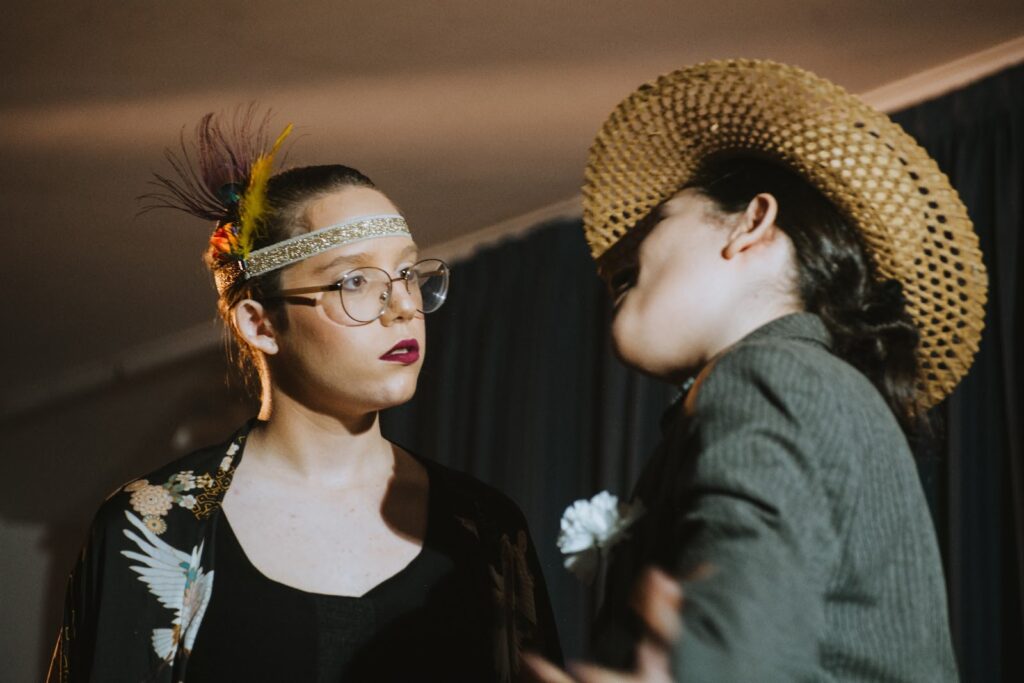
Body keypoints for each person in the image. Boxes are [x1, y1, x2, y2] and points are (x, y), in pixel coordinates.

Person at [48, 110, 561, 682]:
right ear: (260, 323)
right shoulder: (157, 526)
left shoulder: (486, 528)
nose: (403, 307)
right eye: (355, 281)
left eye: (407, 274)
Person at [524, 59, 986, 681]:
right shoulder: (806, 380)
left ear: (752, 223)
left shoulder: (769, 371)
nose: (615, 262)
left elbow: (741, 633)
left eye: (659, 219)